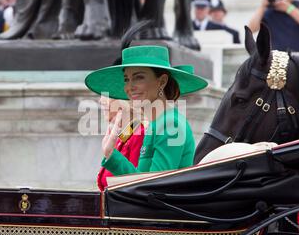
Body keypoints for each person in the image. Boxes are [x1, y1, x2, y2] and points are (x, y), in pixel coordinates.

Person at [85, 45, 209, 176]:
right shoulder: (157, 123)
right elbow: (143, 182)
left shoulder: (170, 123)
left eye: (139, 77)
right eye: (126, 79)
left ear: (162, 81)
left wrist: (112, 155)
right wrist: (110, 153)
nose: (129, 87)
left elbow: (152, 186)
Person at [96, 96, 145, 191]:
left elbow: (136, 186)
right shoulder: (126, 133)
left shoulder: (139, 134)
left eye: (107, 96)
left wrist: (109, 153)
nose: (101, 101)